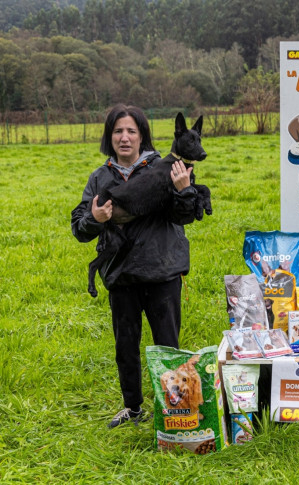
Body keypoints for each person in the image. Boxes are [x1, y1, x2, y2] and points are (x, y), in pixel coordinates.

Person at [72, 104, 200, 427]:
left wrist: (185, 192)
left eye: (131, 131)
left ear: (142, 135)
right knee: (125, 346)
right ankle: (132, 408)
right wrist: (94, 218)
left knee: (168, 344)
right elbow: (78, 227)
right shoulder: (100, 177)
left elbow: (184, 216)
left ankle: (175, 411)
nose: (125, 137)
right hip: (121, 275)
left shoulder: (167, 167)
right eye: (118, 131)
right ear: (109, 137)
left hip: (162, 271)